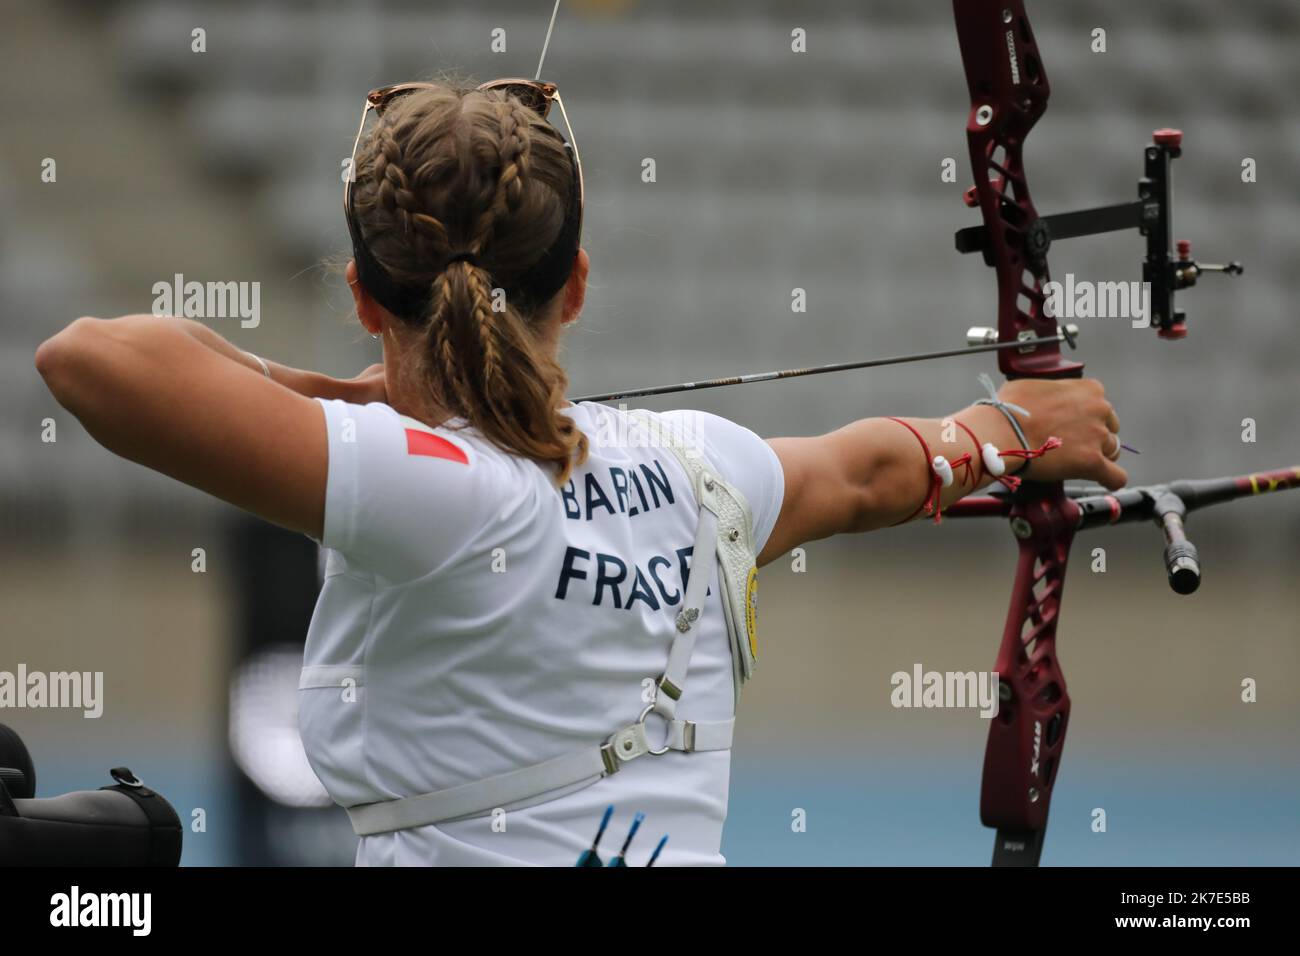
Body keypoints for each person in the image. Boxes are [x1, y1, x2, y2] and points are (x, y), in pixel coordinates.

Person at [34, 81, 1126, 866]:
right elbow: (871, 472)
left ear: (367, 298)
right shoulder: (706, 465)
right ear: (580, 283)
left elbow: (91, 357)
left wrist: (333, 393)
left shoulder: (423, 485)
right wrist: (1013, 425)